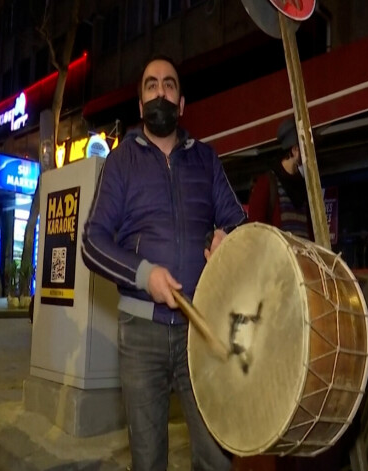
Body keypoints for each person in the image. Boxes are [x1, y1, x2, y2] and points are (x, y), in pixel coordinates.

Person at [81, 55, 245, 471]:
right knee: (149, 459)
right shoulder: (121, 161)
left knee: (216, 456)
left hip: (201, 330)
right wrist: (143, 274)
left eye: (168, 85)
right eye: (151, 85)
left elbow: (240, 225)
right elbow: (92, 243)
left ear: (182, 102)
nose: (160, 92)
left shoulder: (205, 159)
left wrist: (227, 239)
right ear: (140, 105)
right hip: (141, 335)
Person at [248, 118, 312, 240]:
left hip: (303, 257)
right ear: (295, 150)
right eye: (306, 147)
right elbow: (255, 230)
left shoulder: (304, 185)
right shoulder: (267, 183)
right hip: (279, 257)